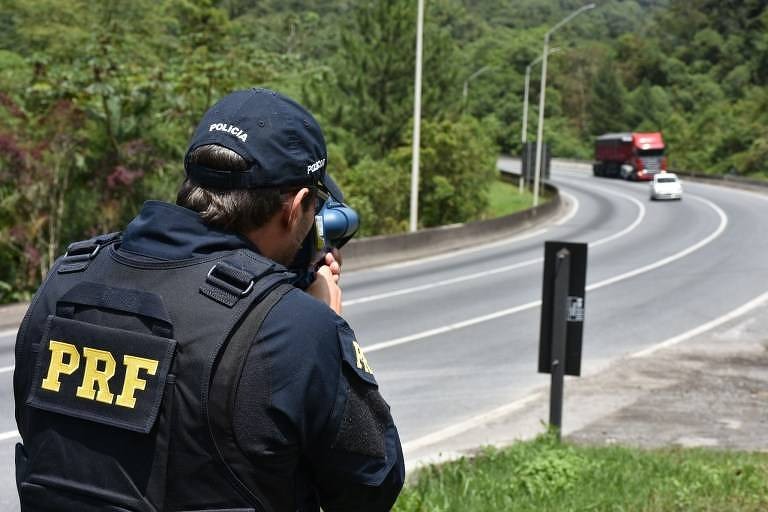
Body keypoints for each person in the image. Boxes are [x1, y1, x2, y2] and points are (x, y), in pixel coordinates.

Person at [13, 88, 405, 511]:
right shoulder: (296, 328)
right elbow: (372, 485)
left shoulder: (65, 280)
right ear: (296, 207)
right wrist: (323, 323)